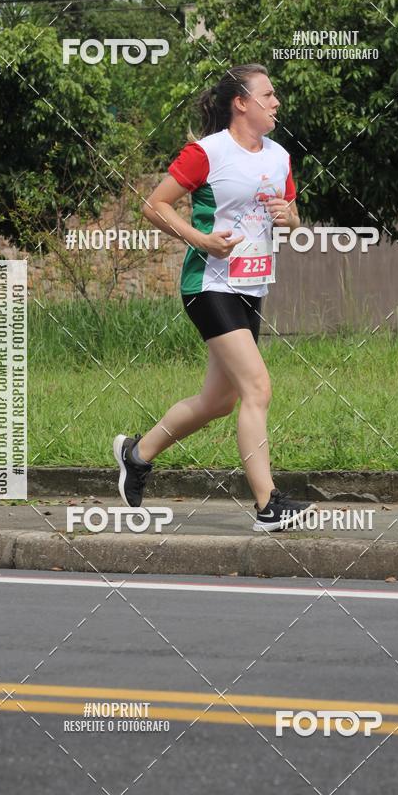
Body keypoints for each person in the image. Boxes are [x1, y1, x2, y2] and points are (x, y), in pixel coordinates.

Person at [113, 63, 316, 532]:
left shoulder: (279, 156)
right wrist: (200, 239)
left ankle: (137, 454)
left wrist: (289, 218)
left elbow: (293, 217)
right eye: (268, 95)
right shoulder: (208, 152)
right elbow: (154, 206)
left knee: (219, 401)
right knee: (257, 388)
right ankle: (268, 505)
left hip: (252, 286)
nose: (276, 102)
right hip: (208, 285)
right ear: (240, 103)